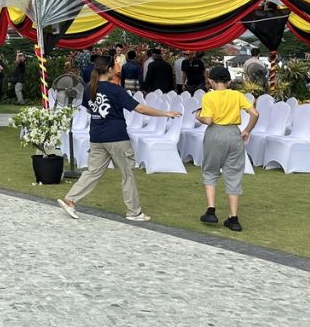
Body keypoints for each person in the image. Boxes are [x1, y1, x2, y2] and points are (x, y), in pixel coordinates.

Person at [57, 54, 181, 222]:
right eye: (115, 65)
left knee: (92, 172)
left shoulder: (88, 88)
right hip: (116, 137)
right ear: (108, 70)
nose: (118, 67)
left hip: (96, 137)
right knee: (127, 174)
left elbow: (88, 110)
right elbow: (140, 109)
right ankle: (134, 212)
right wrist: (165, 113)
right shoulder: (115, 90)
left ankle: (70, 200)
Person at [198, 66, 258, 231]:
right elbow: (255, 114)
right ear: (229, 81)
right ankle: (233, 218)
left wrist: (198, 116)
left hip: (215, 133)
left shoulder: (208, 96)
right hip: (234, 133)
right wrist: (247, 130)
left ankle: (211, 211)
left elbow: (208, 120)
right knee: (234, 174)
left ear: (210, 81)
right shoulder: (237, 95)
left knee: (210, 171)